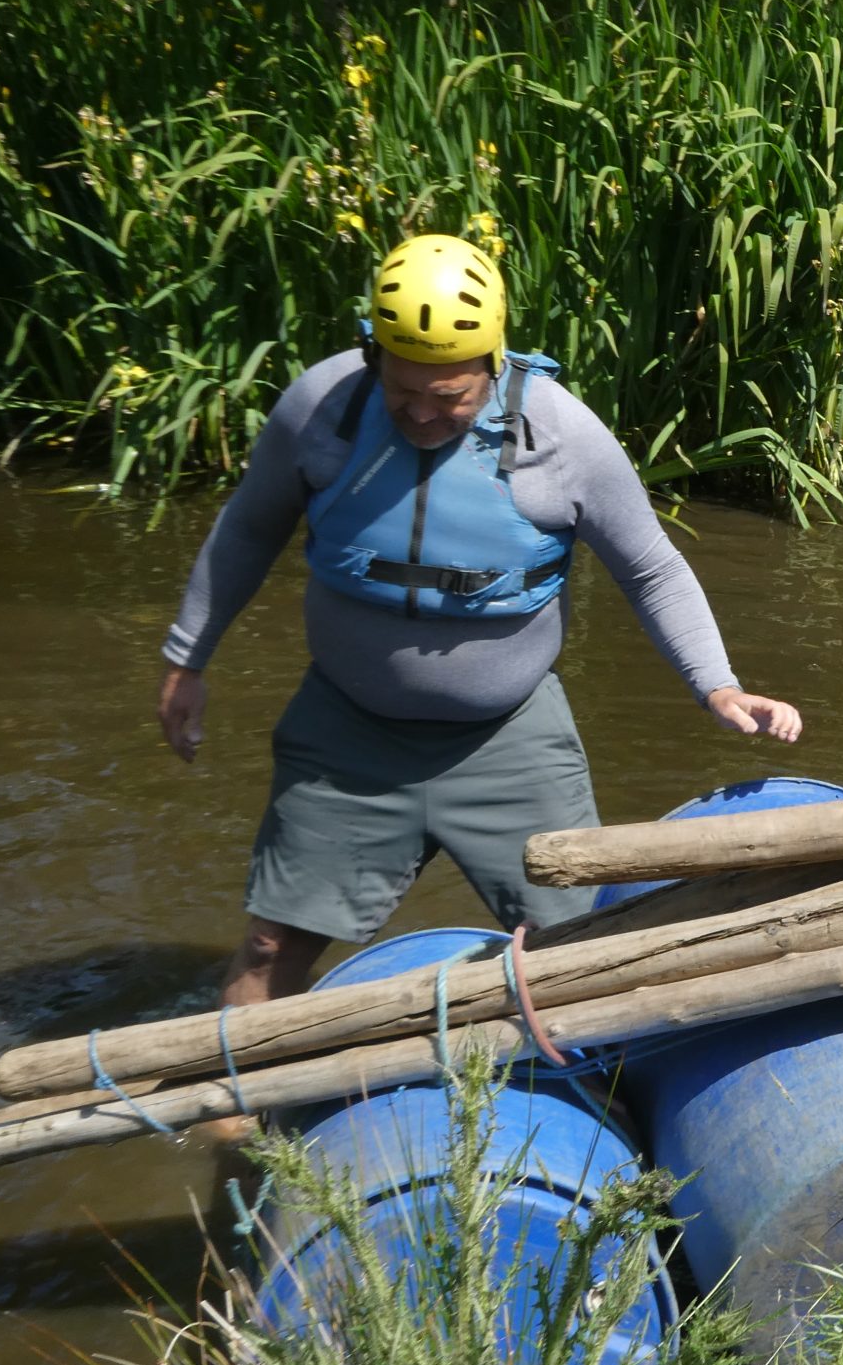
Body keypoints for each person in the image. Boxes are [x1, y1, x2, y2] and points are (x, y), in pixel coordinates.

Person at [158, 232, 802, 1006]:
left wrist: (717, 685)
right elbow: (248, 529)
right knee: (269, 944)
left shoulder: (561, 436)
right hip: (347, 734)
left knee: (579, 954)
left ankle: (602, 1106)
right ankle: (237, 1125)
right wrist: (188, 659)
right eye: (405, 392)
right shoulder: (322, 411)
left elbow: (651, 567)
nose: (423, 414)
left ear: (493, 367)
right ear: (374, 358)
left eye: (449, 398)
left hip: (509, 737)